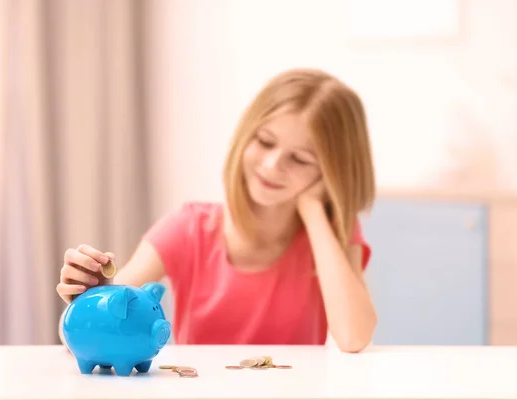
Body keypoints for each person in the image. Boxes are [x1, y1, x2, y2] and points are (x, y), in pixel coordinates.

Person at [56, 68, 377, 353]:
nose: (271, 165)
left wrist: (313, 210)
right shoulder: (188, 229)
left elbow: (352, 337)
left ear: (328, 174)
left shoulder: (330, 234)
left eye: (301, 159)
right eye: (265, 142)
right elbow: (81, 339)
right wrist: (88, 304)